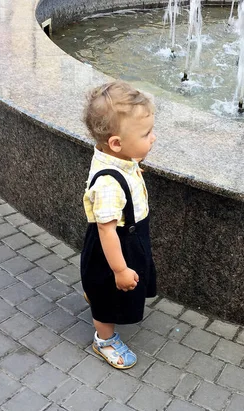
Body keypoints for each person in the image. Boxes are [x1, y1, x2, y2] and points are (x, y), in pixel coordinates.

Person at [80, 80, 157, 369]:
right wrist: (121, 270)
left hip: (130, 236)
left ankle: (96, 291)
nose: (153, 138)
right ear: (116, 143)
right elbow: (106, 230)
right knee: (108, 295)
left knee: (107, 289)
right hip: (112, 250)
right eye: (146, 134)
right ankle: (105, 339)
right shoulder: (110, 184)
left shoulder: (117, 158)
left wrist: (132, 167)